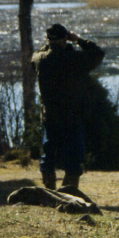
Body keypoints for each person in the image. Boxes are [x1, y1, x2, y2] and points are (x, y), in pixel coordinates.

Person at [32, 23, 105, 190]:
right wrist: (78, 40)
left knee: (48, 152)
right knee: (75, 154)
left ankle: (49, 188)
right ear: (65, 40)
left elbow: (36, 55)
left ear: (48, 39)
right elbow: (98, 53)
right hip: (73, 114)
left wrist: (51, 43)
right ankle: (70, 190)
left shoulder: (39, 59)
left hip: (50, 114)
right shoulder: (74, 60)